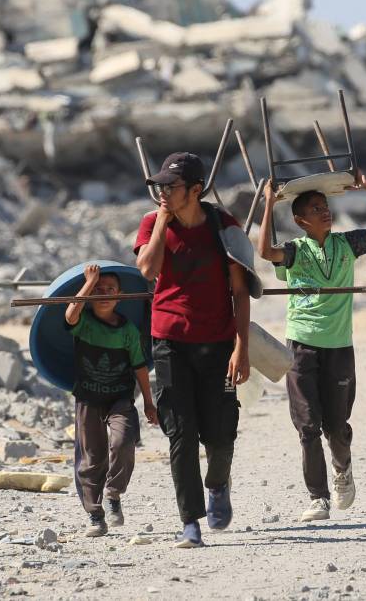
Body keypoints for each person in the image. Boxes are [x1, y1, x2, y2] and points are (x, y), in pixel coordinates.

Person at [257, 169, 366, 522]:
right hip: (301, 346)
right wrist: (267, 204)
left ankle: (343, 467)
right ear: (300, 220)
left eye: (326, 206)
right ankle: (318, 497)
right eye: (316, 208)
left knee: (336, 427)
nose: (325, 212)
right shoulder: (294, 252)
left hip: (339, 346)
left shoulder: (347, 244)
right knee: (308, 425)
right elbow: (264, 252)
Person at [134, 152, 251, 548]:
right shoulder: (153, 223)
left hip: (218, 343)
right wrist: (163, 221)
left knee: (220, 433)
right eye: (160, 186)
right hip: (170, 342)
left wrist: (242, 347)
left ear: (196, 190)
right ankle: (190, 523)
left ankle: (218, 482)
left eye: (172, 186)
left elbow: (240, 291)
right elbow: (147, 271)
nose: (163, 193)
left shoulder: (223, 226)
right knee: (180, 433)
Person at [65, 264, 158, 537]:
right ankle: (95, 514)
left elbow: (140, 366)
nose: (104, 294)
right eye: (98, 290)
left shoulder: (127, 330)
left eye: (110, 290)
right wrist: (88, 282)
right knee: (92, 458)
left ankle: (113, 494)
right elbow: (70, 315)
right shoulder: (84, 323)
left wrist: (149, 404)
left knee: (123, 441)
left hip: (120, 398)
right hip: (88, 399)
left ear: (120, 296)